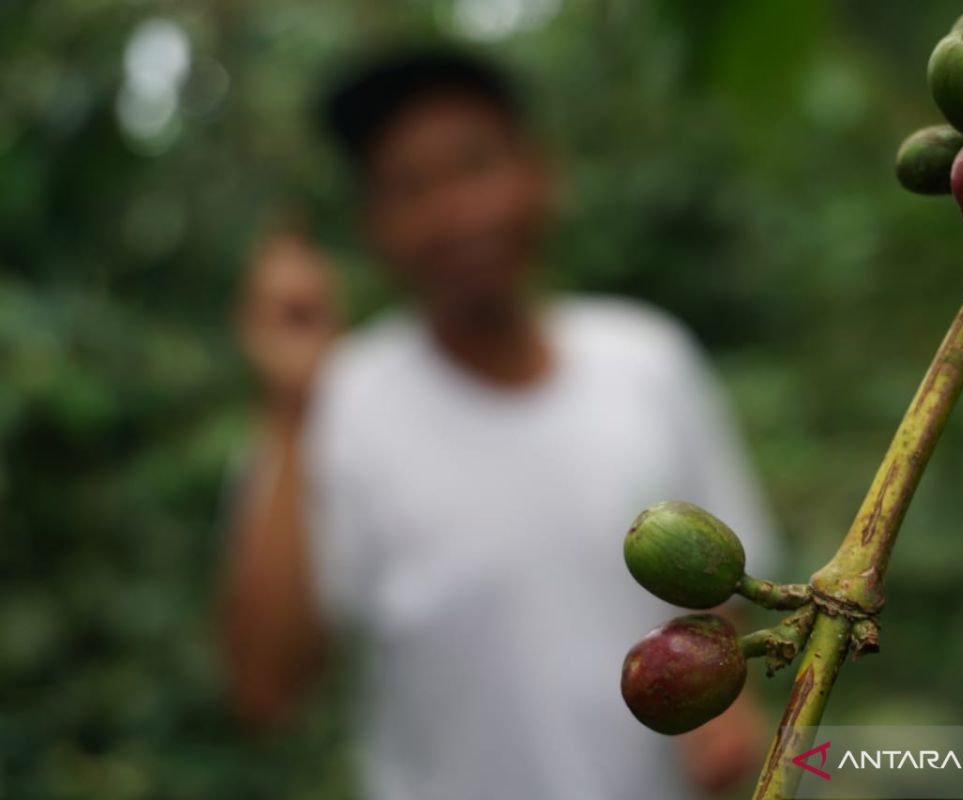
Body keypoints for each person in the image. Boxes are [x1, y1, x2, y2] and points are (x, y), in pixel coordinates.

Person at [222, 47, 779, 800]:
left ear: (540, 173)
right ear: (373, 224)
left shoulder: (649, 360)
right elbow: (266, 688)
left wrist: (732, 704)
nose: (453, 210)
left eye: (473, 164)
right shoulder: (337, 404)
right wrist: (289, 409)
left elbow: (718, 597)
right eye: (408, 186)